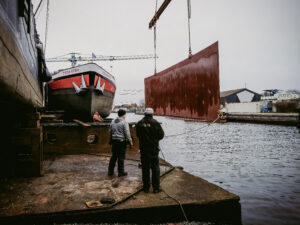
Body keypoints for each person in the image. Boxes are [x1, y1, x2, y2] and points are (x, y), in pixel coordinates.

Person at [136, 108, 164, 193]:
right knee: (155, 167)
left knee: (145, 168)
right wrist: (155, 140)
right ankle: (156, 188)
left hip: (144, 149)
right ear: (152, 114)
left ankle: (146, 188)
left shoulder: (139, 123)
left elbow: (138, 135)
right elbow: (161, 135)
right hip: (153, 149)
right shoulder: (155, 123)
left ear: (144, 114)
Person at [108, 109, 133, 177]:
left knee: (114, 156)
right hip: (121, 142)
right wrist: (130, 141)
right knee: (121, 157)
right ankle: (121, 172)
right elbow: (127, 133)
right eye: (125, 114)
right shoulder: (124, 122)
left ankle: (110, 171)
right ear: (124, 115)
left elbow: (110, 131)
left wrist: (110, 139)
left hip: (114, 141)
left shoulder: (113, 121)